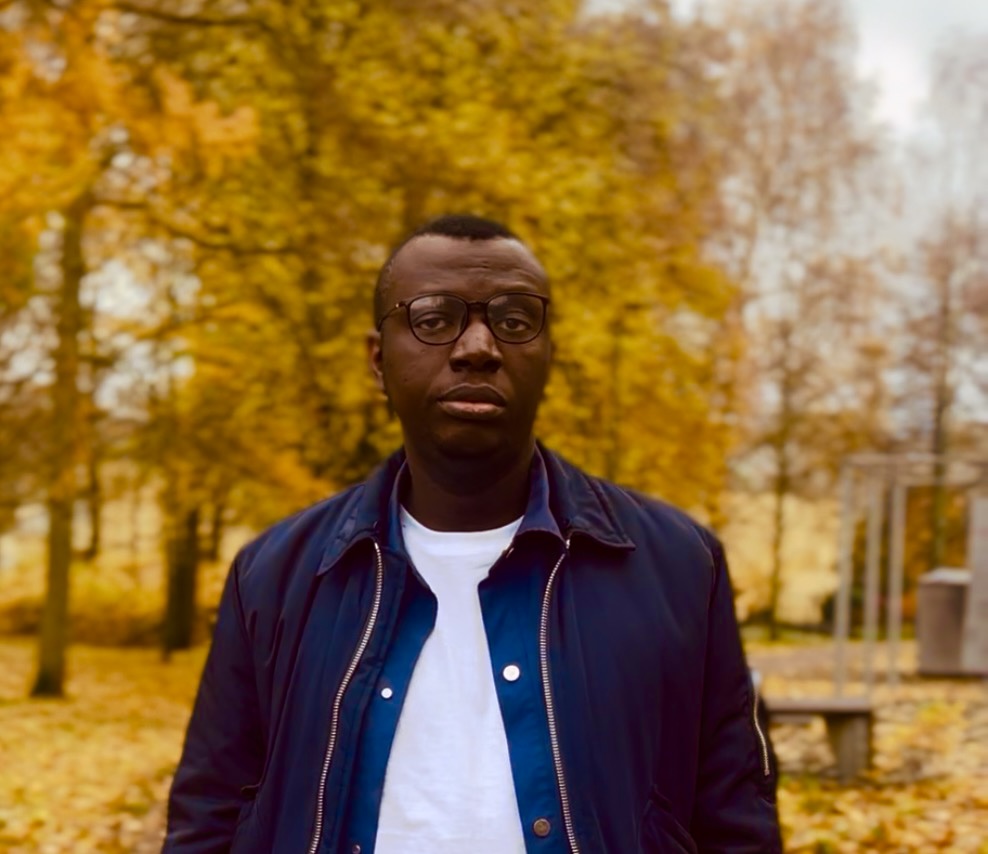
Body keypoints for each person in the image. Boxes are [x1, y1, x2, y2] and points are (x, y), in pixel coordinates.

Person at [164, 214, 782, 853]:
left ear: (548, 356)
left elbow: (735, 820)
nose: (478, 347)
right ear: (378, 360)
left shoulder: (679, 567)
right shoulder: (275, 575)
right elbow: (209, 814)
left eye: (515, 320)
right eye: (434, 319)